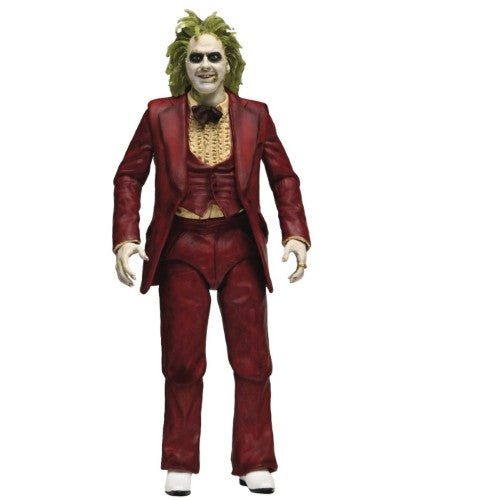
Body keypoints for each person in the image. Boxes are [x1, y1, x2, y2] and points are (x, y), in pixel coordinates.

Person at [112, 10, 311, 496]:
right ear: (183, 65)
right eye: (197, 58)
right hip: (182, 245)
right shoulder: (159, 113)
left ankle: (254, 460)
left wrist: (295, 233)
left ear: (229, 63)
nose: (206, 65)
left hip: (240, 244)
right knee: (182, 360)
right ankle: (179, 459)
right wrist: (126, 235)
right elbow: (129, 175)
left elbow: (283, 177)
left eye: (214, 57)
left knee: (253, 359)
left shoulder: (255, 114)